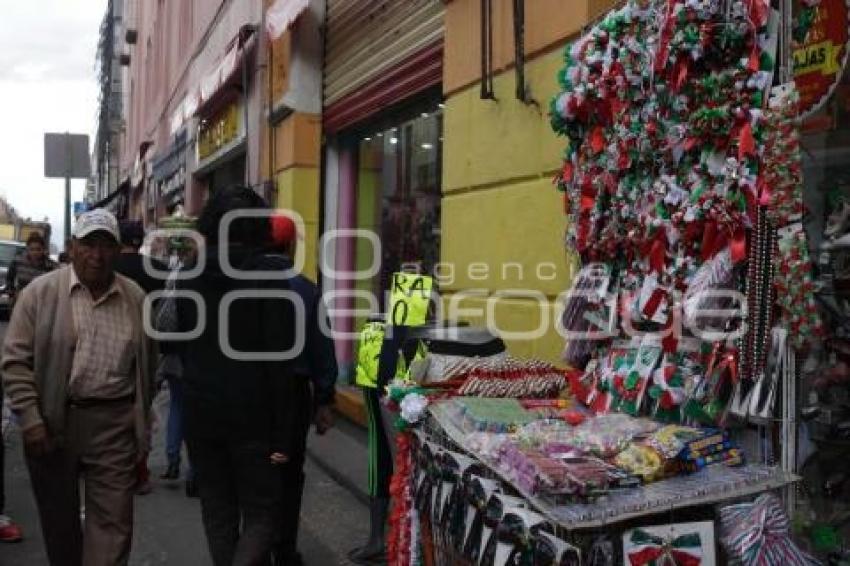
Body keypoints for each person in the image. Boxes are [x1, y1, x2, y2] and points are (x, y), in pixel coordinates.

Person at [1, 208, 155, 566]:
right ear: (72, 247)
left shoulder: (135, 298)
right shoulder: (40, 294)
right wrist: (31, 418)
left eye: (105, 245)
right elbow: (14, 362)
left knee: (114, 526)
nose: (96, 255)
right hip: (54, 422)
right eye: (88, 245)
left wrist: (142, 423)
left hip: (114, 425)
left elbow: (148, 365)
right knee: (61, 528)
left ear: (117, 250)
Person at [177, 186, 297, 566]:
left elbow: (182, 344)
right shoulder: (269, 275)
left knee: (217, 509)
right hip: (255, 417)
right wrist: (285, 432)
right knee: (262, 513)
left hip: (201, 414)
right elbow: (281, 360)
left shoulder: (190, 274)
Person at [265, 215, 337, 566]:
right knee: (290, 474)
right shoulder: (307, 290)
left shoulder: (244, 285)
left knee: (256, 471)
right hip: (293, 395)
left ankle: (255, 544)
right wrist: (325, 399)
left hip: (254, 393)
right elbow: (323, 349)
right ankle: (284, 547)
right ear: (292, 246)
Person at [112, 220, 166, 496]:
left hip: (111, 343)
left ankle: (114, 468)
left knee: (112, 407)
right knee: (143, 407)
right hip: (148, 345)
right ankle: (140, 471)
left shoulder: (107, 267)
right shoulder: (159, 269)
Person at [6, 231, 57, 305]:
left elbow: (55, 286)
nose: (35, 252)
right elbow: (9, 279)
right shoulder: (18, 262)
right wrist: (12, 294)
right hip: (21, 302)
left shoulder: (50, 266)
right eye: (32, 249)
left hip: (41, 304)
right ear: (27, 249)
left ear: (43, 249)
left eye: (38, 249)